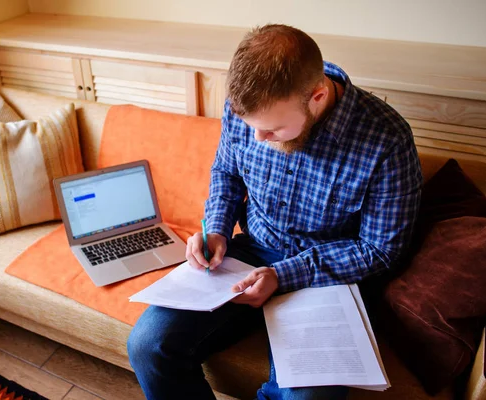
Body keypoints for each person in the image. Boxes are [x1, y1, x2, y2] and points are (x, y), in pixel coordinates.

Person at [128, 24, 422, 400]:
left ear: (316, 97)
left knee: (308, 398)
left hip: (327, 276)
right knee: (148, 345)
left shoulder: (387, 139)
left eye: (272, 130)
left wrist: (283, 275)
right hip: (249, 253)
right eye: (253, 127)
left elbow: (380, 249)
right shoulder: (247, 106)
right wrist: (217, 227)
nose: (258, 140)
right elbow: (227, 171)